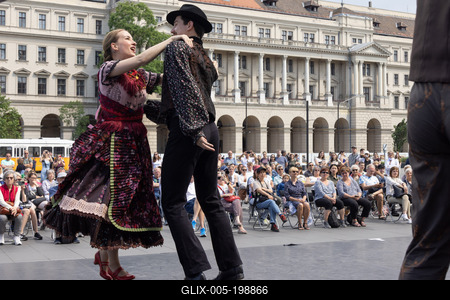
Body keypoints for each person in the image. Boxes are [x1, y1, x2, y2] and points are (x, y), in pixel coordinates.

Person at [43, 29, 194, 280]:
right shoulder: (108, 69)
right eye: (127, 38)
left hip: (134, 139)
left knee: (120, 200)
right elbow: (142, 59)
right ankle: (111, 263)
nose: (133, 41)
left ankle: (105, 256)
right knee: (111, 200)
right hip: (113, 141)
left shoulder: (139, 75)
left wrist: (200, 69)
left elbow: (166, 79)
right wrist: (170, 40)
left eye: (133, 38)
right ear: (114, 46)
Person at [143, 4, 243, 280]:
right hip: (210, 127)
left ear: (188, 26)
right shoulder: (205, 57)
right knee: (210, 198)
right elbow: (184, 93)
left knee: (172, 202)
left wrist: (191, 129)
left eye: (175, 24)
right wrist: (146, 106)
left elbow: (185, 91)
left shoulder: (177, 47)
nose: (171, 30)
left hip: (192, 129)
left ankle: (195, 272)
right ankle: (232, 268)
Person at [253, 166, 287, 232]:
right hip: (259, 202)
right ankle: (280, 214)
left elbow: (271, 190)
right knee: (271, 202)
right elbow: (259, 190)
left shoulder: (266, 181)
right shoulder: (255, 182)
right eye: (261, 173)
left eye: (264, 172)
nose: (263, 174)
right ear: (257, 174)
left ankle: (273, 224)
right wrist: (268, 194)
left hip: (267, 201)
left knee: (271, 204)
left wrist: (264, 189)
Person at [0, 170, 24, 245]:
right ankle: (1, 235)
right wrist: (11, 208)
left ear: (13, 179)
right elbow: (1, 201)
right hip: (3, 210)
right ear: (4, 179)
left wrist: (14, 208)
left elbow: (17, 200)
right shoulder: (0, 188)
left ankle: (16, 236)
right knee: (2, 218)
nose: (9, 179)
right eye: (7, 178)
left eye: (11, 178)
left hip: (13, 209)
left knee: (19, 217)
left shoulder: (17, 188)